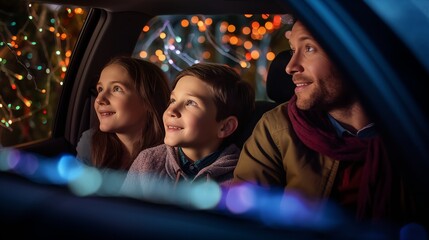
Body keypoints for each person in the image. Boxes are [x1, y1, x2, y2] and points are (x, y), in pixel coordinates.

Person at [232, 20, 424, 226]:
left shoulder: (415, 128)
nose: (290, 66)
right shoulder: (276, 128)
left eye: (309, 48)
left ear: (356, 55)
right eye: (292, 50)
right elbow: (244, 221)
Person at [121, 62, 255, 190]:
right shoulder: (148, 162)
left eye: (190, 103)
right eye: (173, 100)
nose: (171, 111)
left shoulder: (240, 176)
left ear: (225, 127)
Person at [76, 56, 170, 171]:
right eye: (100, 89)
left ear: (148, 101)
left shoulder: (171, 157)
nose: (99, 99)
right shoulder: (90, 145)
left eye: (116, 89)